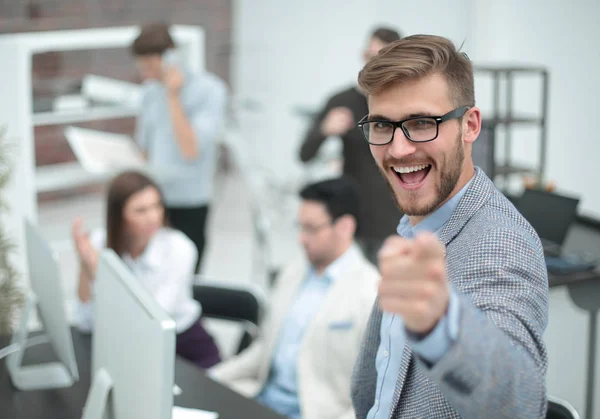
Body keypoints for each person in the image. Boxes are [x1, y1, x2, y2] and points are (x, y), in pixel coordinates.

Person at [351, 35, 549, 418]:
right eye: (381, 126)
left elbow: (521, 405)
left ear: (470, 125)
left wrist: (442, 326)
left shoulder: (499, 244)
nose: (398, 149)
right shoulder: (419, 224)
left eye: (422, 123)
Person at [210, 177, 379, 419]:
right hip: (259, 401)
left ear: (345, 227)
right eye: (300, 227)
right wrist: (212, 378)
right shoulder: (293, 273)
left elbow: (373, 393)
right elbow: (265, 350)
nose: (301, 238)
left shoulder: (370, 293)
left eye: (311, 229)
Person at [73, 171, 221, 369]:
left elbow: (153, 323)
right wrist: (86, 266)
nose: (153, 217)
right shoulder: (100, 242)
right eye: (140, 210)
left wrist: (101, 278)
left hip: (183, 345)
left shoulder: (179, 248)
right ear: (119, 215)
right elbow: (85, 321)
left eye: (157, 206)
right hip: (128, 345)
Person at [299, 26, 402, 264]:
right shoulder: (341, 101)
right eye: (370, 56)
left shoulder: (401, 103)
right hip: (352, 217)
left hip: (393, 217)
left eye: (382, 58)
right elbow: (304, 153)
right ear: (363, 55)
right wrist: (324, 130)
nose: (374, 63)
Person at [132, 22, 228, 273]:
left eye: (150, 66)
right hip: (155, 199)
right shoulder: (149, 93)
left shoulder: (210, 91)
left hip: (190, 200)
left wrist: (173, 96)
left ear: (170, 57)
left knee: (186, 276)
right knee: (151, 271)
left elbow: (190, 148)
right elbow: (143, 149)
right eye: (142, 67)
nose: (146, 74)